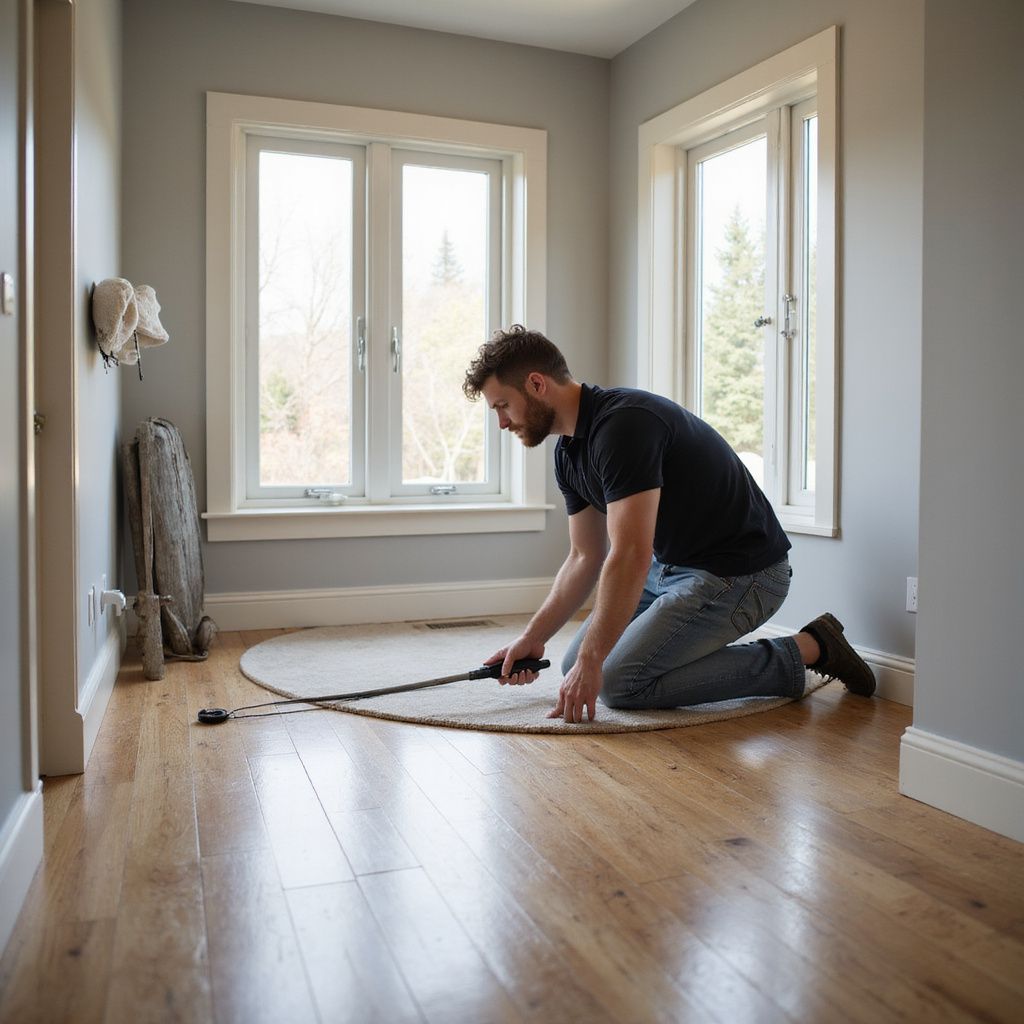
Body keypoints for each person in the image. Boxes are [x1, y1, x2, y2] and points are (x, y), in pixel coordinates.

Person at [462, 324, 875, 724]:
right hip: (669, 569)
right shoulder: (568, 452)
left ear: (537, 384)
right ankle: (674, 651)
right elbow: (584, 556)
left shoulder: (623, 426)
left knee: (620, 682)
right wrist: (534, 638)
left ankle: (810, 648)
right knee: (577, 661)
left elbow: (629, 553)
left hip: (741, 574)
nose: (501, 422)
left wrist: (595, 660)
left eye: (502, 405)